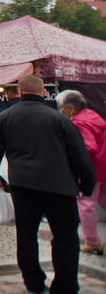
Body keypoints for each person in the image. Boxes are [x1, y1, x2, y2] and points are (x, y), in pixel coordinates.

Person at [0, 76, 100, 294]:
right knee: (66, 238)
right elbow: (79, 155)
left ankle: (34, 284)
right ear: (44, 93)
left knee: (26, 234)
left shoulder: (5, 117)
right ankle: (64, 293)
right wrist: (87, 185)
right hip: (57, 185)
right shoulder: (59, 119)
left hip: (21, 185)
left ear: (19, 91)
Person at [56, 90, 106, 256]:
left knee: (85, 204)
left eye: (62, 107)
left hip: (93, 168)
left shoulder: (79, 122)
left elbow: (89, 147)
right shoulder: (92, 115)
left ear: (71, 108)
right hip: (102, 166)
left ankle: (92, 242)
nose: (61, 110)